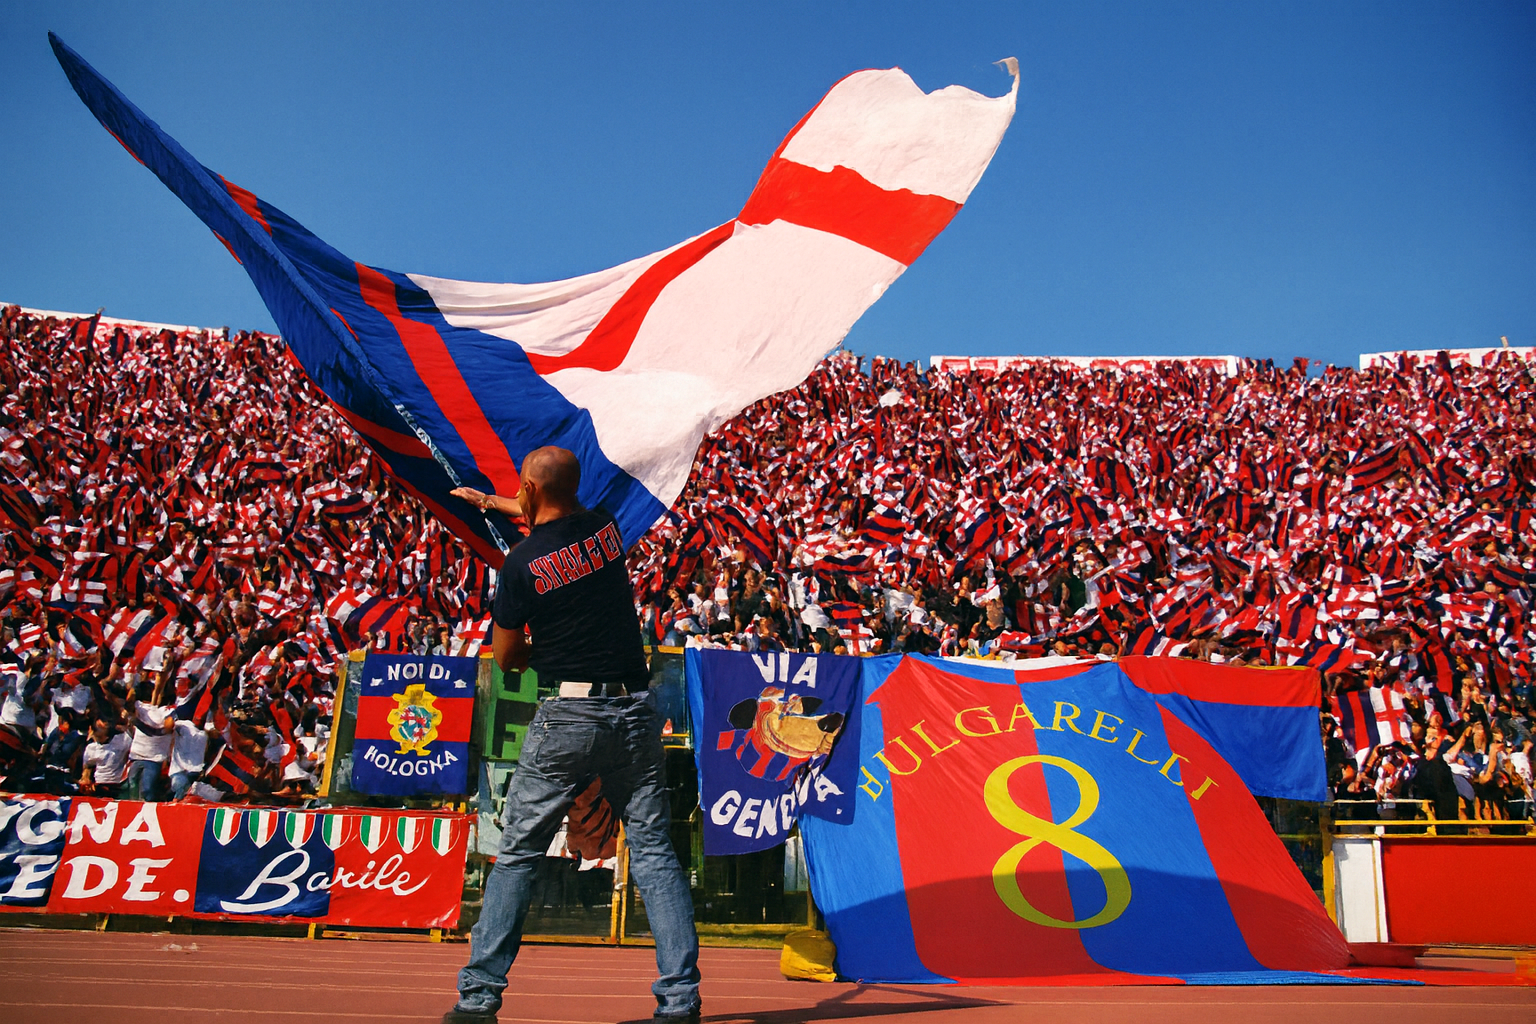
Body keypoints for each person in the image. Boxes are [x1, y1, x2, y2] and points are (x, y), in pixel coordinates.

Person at [446, 447, 700, 1024]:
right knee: (656, 855)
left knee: (517, 856)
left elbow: (507, 657)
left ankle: (477, 999)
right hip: (634, 710)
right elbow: (553, 505)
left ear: (529, 492)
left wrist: (545, 651)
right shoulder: (604, 528)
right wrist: (495, 501)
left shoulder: (520, 563)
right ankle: (680, 1001)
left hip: (570, 713)